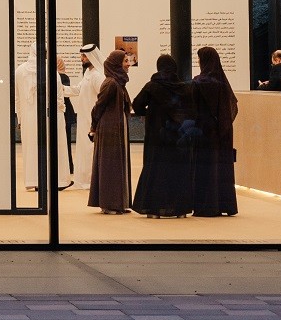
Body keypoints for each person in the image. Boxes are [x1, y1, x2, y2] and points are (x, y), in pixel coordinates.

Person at [131, 54, 195, 218]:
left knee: (157, 169)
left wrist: (149, 114)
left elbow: (137, 104)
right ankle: (179, 210)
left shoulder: (152, 86)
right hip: (178, 136)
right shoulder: (184, 88)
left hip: (157, 135)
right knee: (177, 170)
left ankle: (154, 209)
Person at [190, 46, 238, 217]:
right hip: (222, 133)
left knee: (205, 169)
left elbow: (192, 108)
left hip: (203, 132)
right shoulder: (223, 83)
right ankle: (225, 204)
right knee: (221, 168)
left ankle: (207, 205)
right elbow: (233, 108)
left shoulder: (197, 83)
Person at [86, 49, 132, 214]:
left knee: (116, 165)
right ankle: (109, 203)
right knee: (110, 166)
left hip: (116, 128)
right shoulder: (111, 83)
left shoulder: (118, 82)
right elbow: (98, 107)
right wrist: (93, 128)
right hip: (109, 130)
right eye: (125, 61)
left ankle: (117, 202)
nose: (128, 64)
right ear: (117, 64)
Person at [16, 54, 70, 192]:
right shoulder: (49, 69)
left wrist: (20, 118)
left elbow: (17, 98)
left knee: (33, 148)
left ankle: (35, 180)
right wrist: (60, 112)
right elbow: (58, 97)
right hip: (49, 117)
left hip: (28, 119)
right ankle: (57, 180)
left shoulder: (20, 70)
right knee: (52, 147)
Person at [69, 44, 102, 190]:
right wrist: (60, 89)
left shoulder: (97, 76)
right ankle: (83, 179)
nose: (81, 59)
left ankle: (91, 181)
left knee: (90, 149)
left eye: (84, 56)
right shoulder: (88, 73)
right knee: (84, 149)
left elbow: (103, 97)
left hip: (92, 119)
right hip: (84, 119)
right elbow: (78, 89)